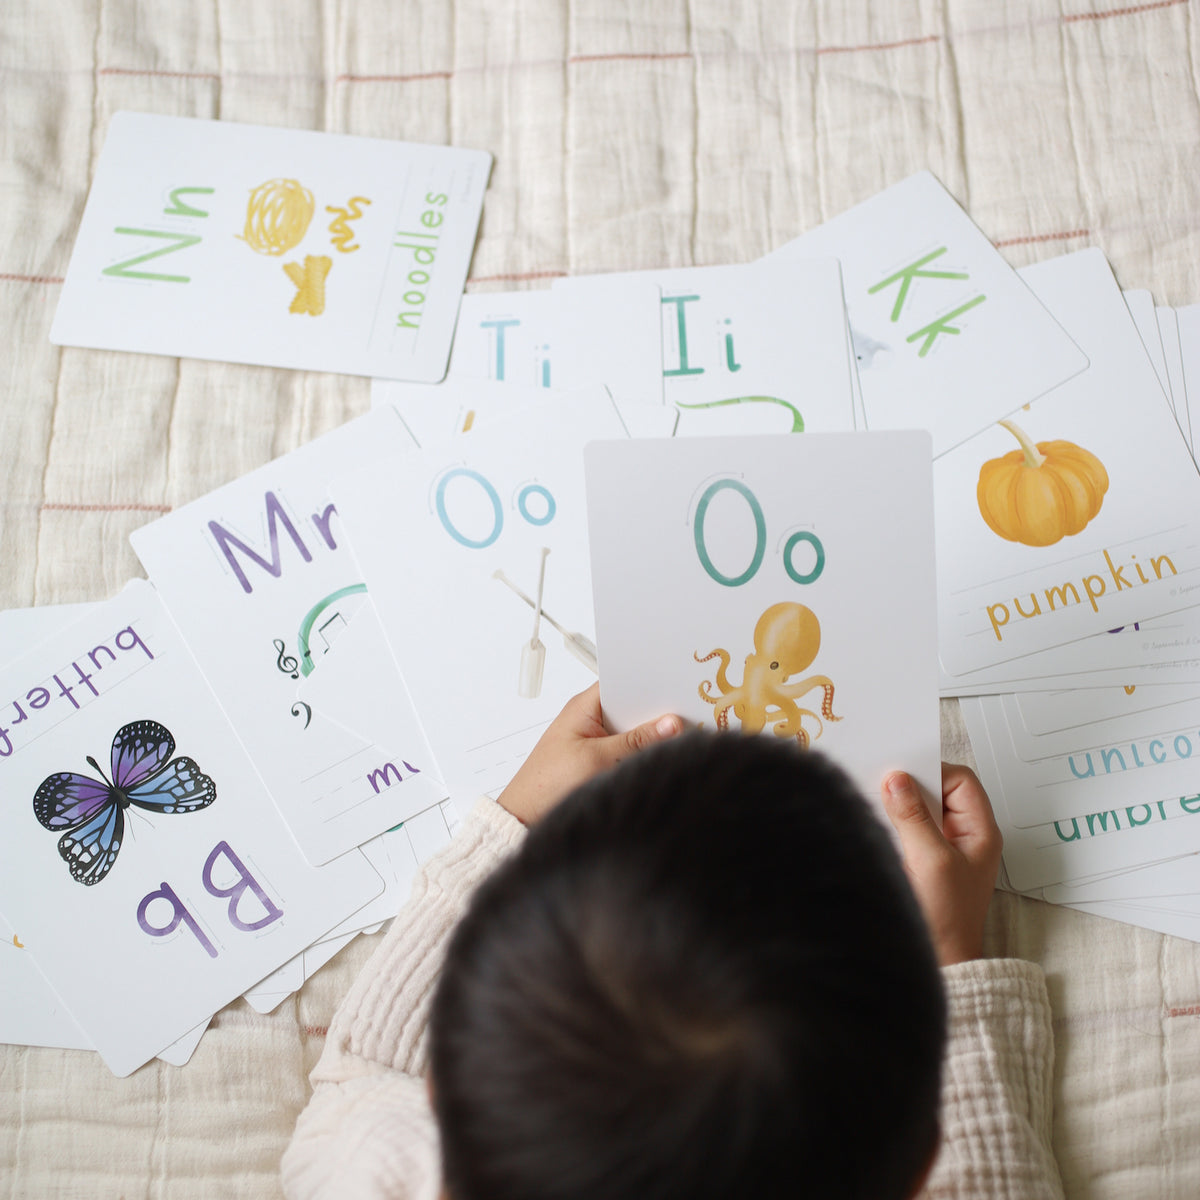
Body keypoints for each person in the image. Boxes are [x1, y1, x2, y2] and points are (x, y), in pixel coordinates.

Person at [282, 685, 1063, 1200]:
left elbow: (356, 1081)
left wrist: (515, 821)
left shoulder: (376, 1172)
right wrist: (953, 964)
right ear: (923, 1165)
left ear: (437, 1093)